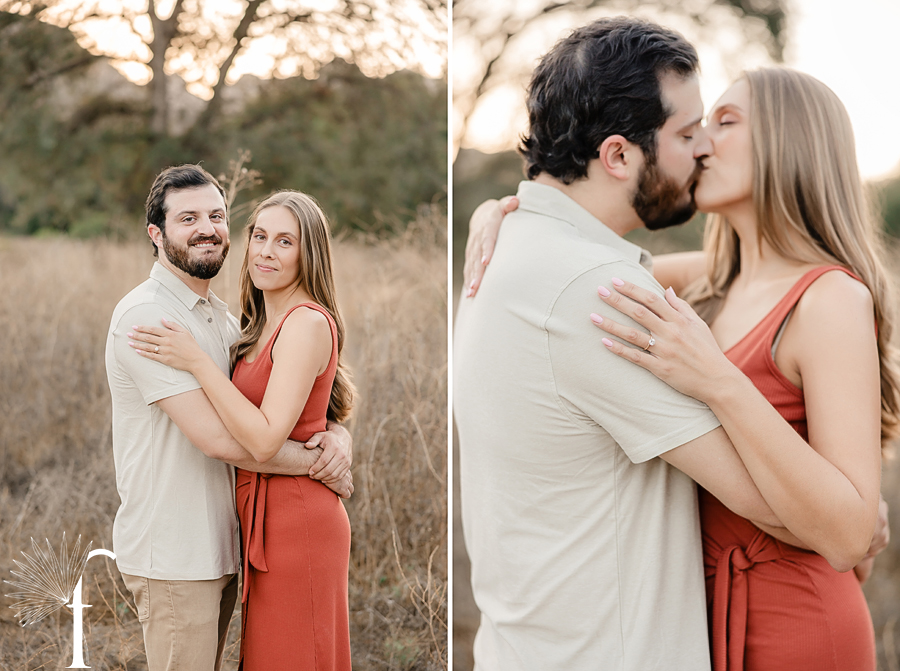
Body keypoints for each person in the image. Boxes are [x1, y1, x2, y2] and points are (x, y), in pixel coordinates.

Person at [463, 68, 896, 669]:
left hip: (796, 619)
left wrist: (719, 380)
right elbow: (575, 260)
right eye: (694, 128)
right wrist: (502, 213)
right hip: (701, 610)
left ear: (789, 141)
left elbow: (853, 538)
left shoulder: (829, 299)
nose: (701, 144)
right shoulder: (712, 281)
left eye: (723, 123)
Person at [105, 165, 352, 671]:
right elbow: (222, 439)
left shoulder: (226, 319)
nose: (207, 228)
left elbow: (293, 404)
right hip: (176, 550)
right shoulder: (148, 318)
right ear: (156, 234)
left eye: (216, 215)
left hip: (229, 543)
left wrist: (338, 437)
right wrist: (315, 463)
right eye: (187, 218)